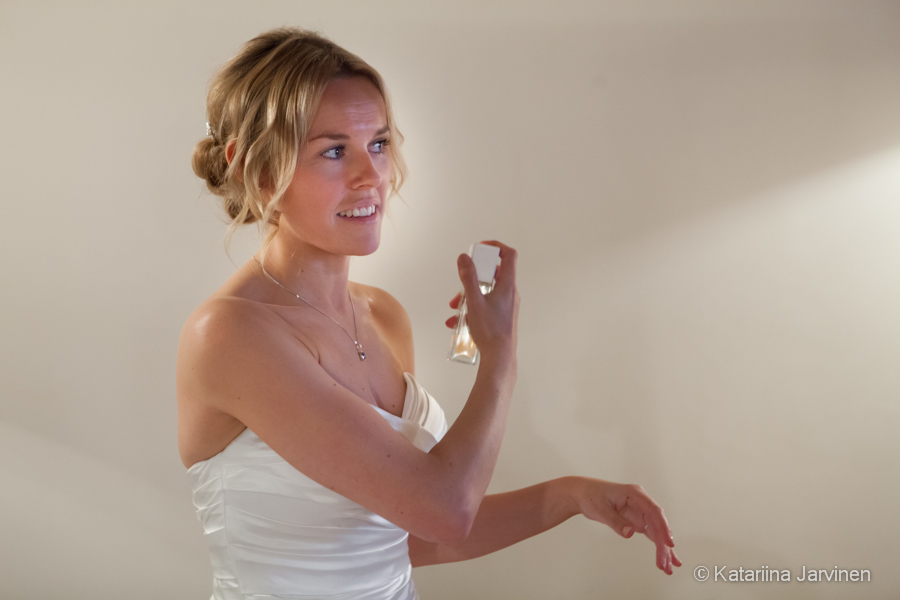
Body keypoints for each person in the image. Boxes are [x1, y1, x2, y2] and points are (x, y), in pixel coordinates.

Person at [178, 27, 680, 600]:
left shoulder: (384, 317)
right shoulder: (230, 334)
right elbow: (444, 510)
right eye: (335, 150)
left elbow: (406, 534)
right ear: (256, 168)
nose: (372, 177)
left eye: (380, 143)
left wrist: (569, 497)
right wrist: (500, 360)